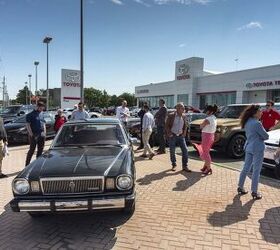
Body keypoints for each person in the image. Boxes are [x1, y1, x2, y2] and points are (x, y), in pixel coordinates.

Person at [237, 105, 269, 200]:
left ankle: (240, 186)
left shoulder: (247, 121)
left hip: (249, 146)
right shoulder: (257, 123)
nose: (261, 113)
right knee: (256, 170)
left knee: (246, 168)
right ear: (254, 113)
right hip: (258, 147)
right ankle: (254, 191)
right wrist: (261, 136)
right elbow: (266, 136)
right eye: (260, 111)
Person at [193, 104, 218, 176]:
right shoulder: (214, 118)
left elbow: (201, 126)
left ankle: (209, 168)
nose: (205, 111)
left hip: (206, 136)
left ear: (210, 111)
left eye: (207, 110)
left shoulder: (208, 119)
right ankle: (205, 166)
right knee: (206, 152)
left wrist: (201, 124)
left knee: (206, 153)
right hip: (211, 136)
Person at [165, 102, 191, 172]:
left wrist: (184, 133)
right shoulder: (171, 115)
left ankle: (185, 166)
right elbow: (166, 125)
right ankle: (174, 164)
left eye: (183, 108)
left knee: (185, 150)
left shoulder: (184, 116)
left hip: (181, 136)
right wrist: (169, 133)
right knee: (172, 151)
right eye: (181, 108)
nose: (183, 109)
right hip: (172, 135)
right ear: (177, 108)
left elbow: (186, 125)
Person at [25, 102, 46, 166]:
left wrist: (45, 133)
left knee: (40, 150)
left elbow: (44, 123)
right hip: (34, 134)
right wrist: (31, 134)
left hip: (42, 134)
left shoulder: (42, 114)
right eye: (41, 108)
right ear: (37, 107)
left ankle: (37, 164)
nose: (42, 109)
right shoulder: (30, 115)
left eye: (43, 108)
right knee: (32, 150)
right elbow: (28, 125)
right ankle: (27, 164)